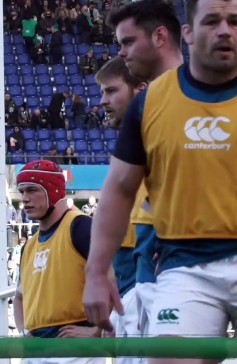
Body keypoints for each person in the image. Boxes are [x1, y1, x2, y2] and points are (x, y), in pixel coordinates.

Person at [84, 0, 237, 364]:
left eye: (234, 21)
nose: (224, 30)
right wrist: (95, 273)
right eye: (211, 21)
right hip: (184, 266)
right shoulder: (150, 104)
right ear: (187, 33)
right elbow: (120, 190)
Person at [105, 0, 185, 340]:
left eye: (127, 42)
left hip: (174, 248)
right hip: (146, 250)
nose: (122, 52)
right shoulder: (148, 109)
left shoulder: (192, 98)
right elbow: (123, 192)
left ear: (160, 37)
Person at [12, 160, 108, 364]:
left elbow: (114, 279)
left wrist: (97, 331)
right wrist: (23, 332)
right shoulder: (29, 246)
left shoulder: (81, 227)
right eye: (22, 192)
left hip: (75, 350)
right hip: (36, 350)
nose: (25, 199)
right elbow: (18, 298)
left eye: (32, 190)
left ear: (52, 190)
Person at [95, 57, 147, 350]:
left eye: (111, 91)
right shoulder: (128, 146)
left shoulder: (158, 139)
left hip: (149, 283)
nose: (103, 101)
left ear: (139, 90)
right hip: (128, 285)